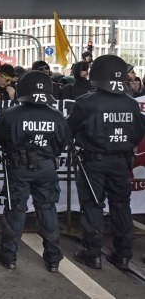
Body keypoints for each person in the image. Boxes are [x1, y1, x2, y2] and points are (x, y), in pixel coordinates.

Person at [67, 55, 145, 270]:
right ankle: (122, 254)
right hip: (121, 162)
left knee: (93, 204)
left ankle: (92, 253)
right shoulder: (131, 103)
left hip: (92, 162)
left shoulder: (86, 102)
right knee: (121, 205)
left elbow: (68, 131)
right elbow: (139, 132)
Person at [0, 70, 70, 272]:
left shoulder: (10, 114)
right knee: (47, 208)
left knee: (16, 209)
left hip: (19, 167)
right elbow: (62, 143)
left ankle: (8, 255)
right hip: (46, 166)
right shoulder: (57, 115)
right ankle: (53, 258)